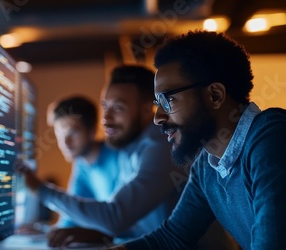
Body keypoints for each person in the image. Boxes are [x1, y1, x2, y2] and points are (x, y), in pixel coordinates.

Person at [110, 30, 286, 250]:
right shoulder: (207, 166)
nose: (158, 118)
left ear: (215, 95)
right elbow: (171, 237)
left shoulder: (271, 135)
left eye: (168, 100)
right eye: (157, 103)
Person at [19, 65, 189, 247]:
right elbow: (134, 226)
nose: (105, 118)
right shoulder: (127, 148)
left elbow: (115, 217)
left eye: (118, 108)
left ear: (147, 110)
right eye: (105, 107)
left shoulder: (163, 143)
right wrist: (99, 235)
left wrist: (41, 189)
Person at [46, 96, 122, 229]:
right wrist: (46, 232)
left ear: (92, 131)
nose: (65, 143)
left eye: (73, 132)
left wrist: (41, 189)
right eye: (59, 134)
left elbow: (119, 219)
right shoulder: (81, 165)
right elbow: (72, 216)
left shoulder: (118, 157)